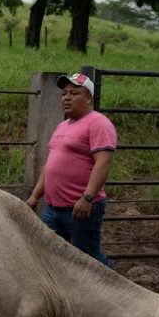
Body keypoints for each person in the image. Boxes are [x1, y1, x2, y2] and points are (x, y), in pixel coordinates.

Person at [25, 72, 116, 268]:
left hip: (80, 208)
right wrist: (35, 196)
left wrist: (87, 198)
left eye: (74, 93)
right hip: (53, 208)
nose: (66, 98)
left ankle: (115, 282)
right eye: (64, 93)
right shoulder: (62, 126)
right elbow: (50, 165)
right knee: (47, 253)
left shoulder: (98, 123)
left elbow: (103, 162)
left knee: (88, 259)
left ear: (88, 98)